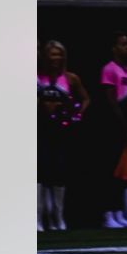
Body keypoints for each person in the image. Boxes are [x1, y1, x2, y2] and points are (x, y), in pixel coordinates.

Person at [37, 41, 90, 232]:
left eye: (59, 54)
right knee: (40, 171)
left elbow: (86, 98)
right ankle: (39, 217)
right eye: (52, 54)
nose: (56, 58)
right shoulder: (37, 77)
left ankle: (58, 217)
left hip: (61, 130)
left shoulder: (70, 78)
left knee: (59, 171)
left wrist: (76, 114)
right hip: (40, 128)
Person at [99, 32, 127, 228]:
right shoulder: (109, 69)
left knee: (126, 173)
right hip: (115, 127)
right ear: (114, 48)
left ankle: (122, 213)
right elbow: (111, 100)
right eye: (122, 44)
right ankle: (109, 213)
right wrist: (124, 126)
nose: (126, 48)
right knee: (112, 170)